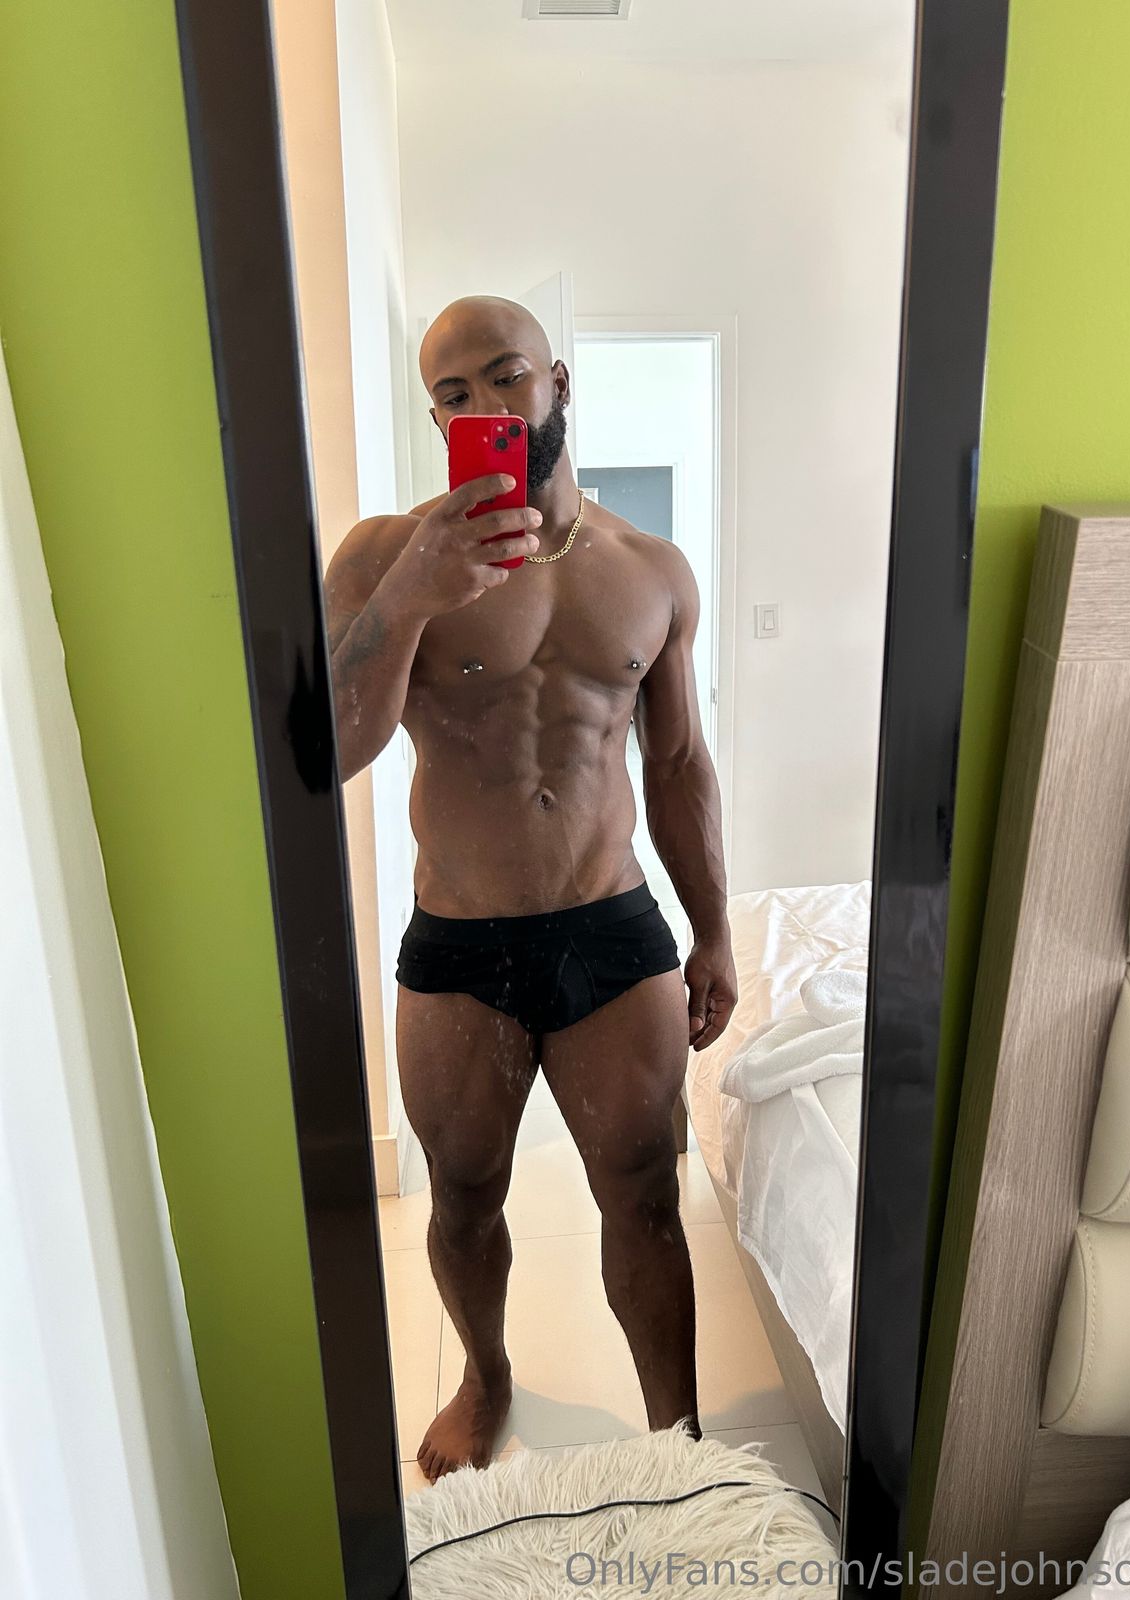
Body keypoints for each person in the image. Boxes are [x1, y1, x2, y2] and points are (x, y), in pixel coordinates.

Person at [324, 295, 736, 1481]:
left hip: (614, 927)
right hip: (461, 940)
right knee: (462, 1194)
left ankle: (677, 1440)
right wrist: (412, 594)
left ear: (558, 383)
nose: (484, 405)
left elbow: (678, 763)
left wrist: (713, 928)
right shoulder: (382, 556)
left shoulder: (651, 570)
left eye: (505, 376)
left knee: (644, 1196)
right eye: (452, 394)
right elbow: (331, 750)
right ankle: (486, 1374)